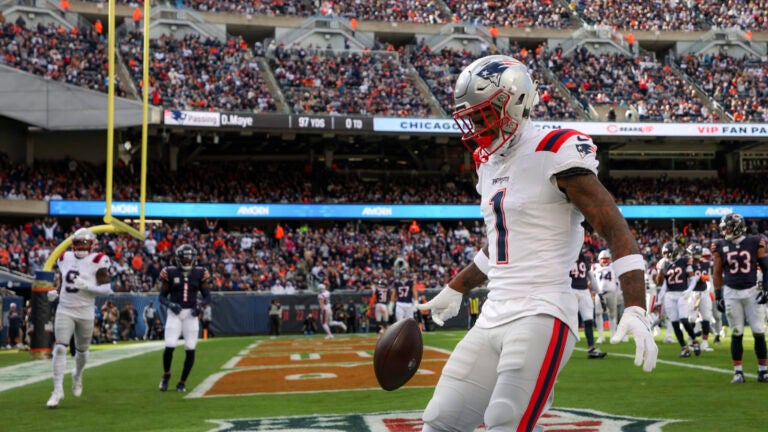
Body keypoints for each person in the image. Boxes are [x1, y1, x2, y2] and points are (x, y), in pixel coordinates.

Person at [415, 55, 657, 432]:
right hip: (493, 313)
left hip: (542, 312)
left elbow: (613, 227)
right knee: (439, 421)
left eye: (482, 116)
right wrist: (455, 288)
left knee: (506, 422)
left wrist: (637, 306)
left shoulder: (554, 148)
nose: (476, 128)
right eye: (471, 118)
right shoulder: (487, 162)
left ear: (512, 102)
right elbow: (498, 247)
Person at [46, 228, 113, 408]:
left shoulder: (98, 260)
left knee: (82, 351)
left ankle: (77, 374)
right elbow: (64, 282)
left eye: (84, 243)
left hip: (85, 311)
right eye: (78, 243)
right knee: (60, 347)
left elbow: (107, 289)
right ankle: (57, 390)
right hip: (65, 309)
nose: (81, 246)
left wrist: (88, 287)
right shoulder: (64, 257)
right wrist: (56, 292)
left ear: (92, 245)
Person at [713, 213, 768, 384]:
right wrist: (718, 295)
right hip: (731, 292)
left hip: (752, 290)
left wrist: (766, 289)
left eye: (728, 227)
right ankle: (738, 372)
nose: (725, 230)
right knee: (736, 332)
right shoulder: (721, 245)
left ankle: (763, 371)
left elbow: (766, 267)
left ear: (737, 226)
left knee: (759, 331)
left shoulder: (754, 241)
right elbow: (717, 272)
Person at [157, 244, 211, 392]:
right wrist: (170, 304)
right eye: (185, 259)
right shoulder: (170, 272)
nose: (187, 261)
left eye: (189, 259)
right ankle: (166, 375)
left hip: (191, 315)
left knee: (190, 348)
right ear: (178, 259)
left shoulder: (200, 273)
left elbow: (208, 296)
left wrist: (200, 306)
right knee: (169, 345)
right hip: (175, 313)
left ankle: (182, 382)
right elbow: (161, 296)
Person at [654, 241, 702, 358]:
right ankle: (684, 349)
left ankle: (695, 341)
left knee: (684, 320)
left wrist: (689, 290)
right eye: (664, 253)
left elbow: (692, 278)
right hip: (670, 295)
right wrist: (660, 269)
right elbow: (660, 283)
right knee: (675, 323)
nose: (665, 256)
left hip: (682, 294)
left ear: (673, 252)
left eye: (667, 253)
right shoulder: (665, 264)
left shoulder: (684, 261)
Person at [570, 245, 606, 359]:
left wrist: (599, 293)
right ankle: (563, 348)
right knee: (570, 320)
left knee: (588, 320)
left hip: (584, 291)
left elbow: (591, 277)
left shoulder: (585, 260)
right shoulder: (566, 257)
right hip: (570, 290)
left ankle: (591, 348)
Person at [686, 243, 714, 352]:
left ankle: (704, 343)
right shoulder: (688, 265)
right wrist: (699, 278)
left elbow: (710, 277)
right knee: (691, 318)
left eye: (698, 252)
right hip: (693, 293)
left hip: (704, 292)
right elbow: (689, 279)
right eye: (695, 252)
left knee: (706, 317)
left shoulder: (705, 264)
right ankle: (690, 340)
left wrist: (711, 290)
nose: (697, 254)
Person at [592, 249, 621, 344]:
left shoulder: (614, 267)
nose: (604, 261)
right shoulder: (595, 267)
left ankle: (613, 335)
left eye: (607, 259)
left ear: (610, 259)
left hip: (611, 292)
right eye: (603, 259)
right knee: (598, 314)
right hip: (599, 293)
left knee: (612, 314)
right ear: (599, 259)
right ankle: (601, 336)